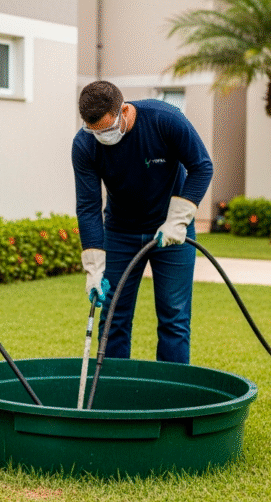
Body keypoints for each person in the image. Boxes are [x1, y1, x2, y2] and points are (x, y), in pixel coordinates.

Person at [72, 81, 213, 364]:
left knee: (174, 317)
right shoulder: (85, 144)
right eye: (95, 132)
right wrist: (94, 271)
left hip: (172, 232)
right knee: (113, 317)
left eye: (108, 130)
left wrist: (177, 221)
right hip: (120, 232)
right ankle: (113, 396)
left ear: (124, 111)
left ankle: (171, 400)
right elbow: (88, 207)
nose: (103, 138)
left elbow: (201, 166)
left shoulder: (165, 119)